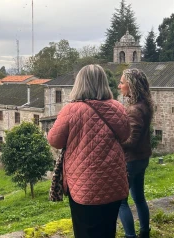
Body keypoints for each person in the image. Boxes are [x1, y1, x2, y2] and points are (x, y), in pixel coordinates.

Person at [47, 64, 131, 238]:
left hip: (83, 185)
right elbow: (125, 135)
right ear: (103, 83)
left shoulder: (71, 110)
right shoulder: (117, 107)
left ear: (79, 84)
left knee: (85, 231)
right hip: (114, 181)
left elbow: (54, 140)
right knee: (108, 230)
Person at [117, 68, 154, 238]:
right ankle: (144, 232)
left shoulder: (134, 110)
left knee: (121, 201)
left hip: (131, 161)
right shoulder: (145, 105)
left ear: (131, 86)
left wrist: (114, 140)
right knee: (139, 198)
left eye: (122, 82)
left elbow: (131, 140)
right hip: (142, 158)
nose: (119, 86)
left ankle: (130, 235)